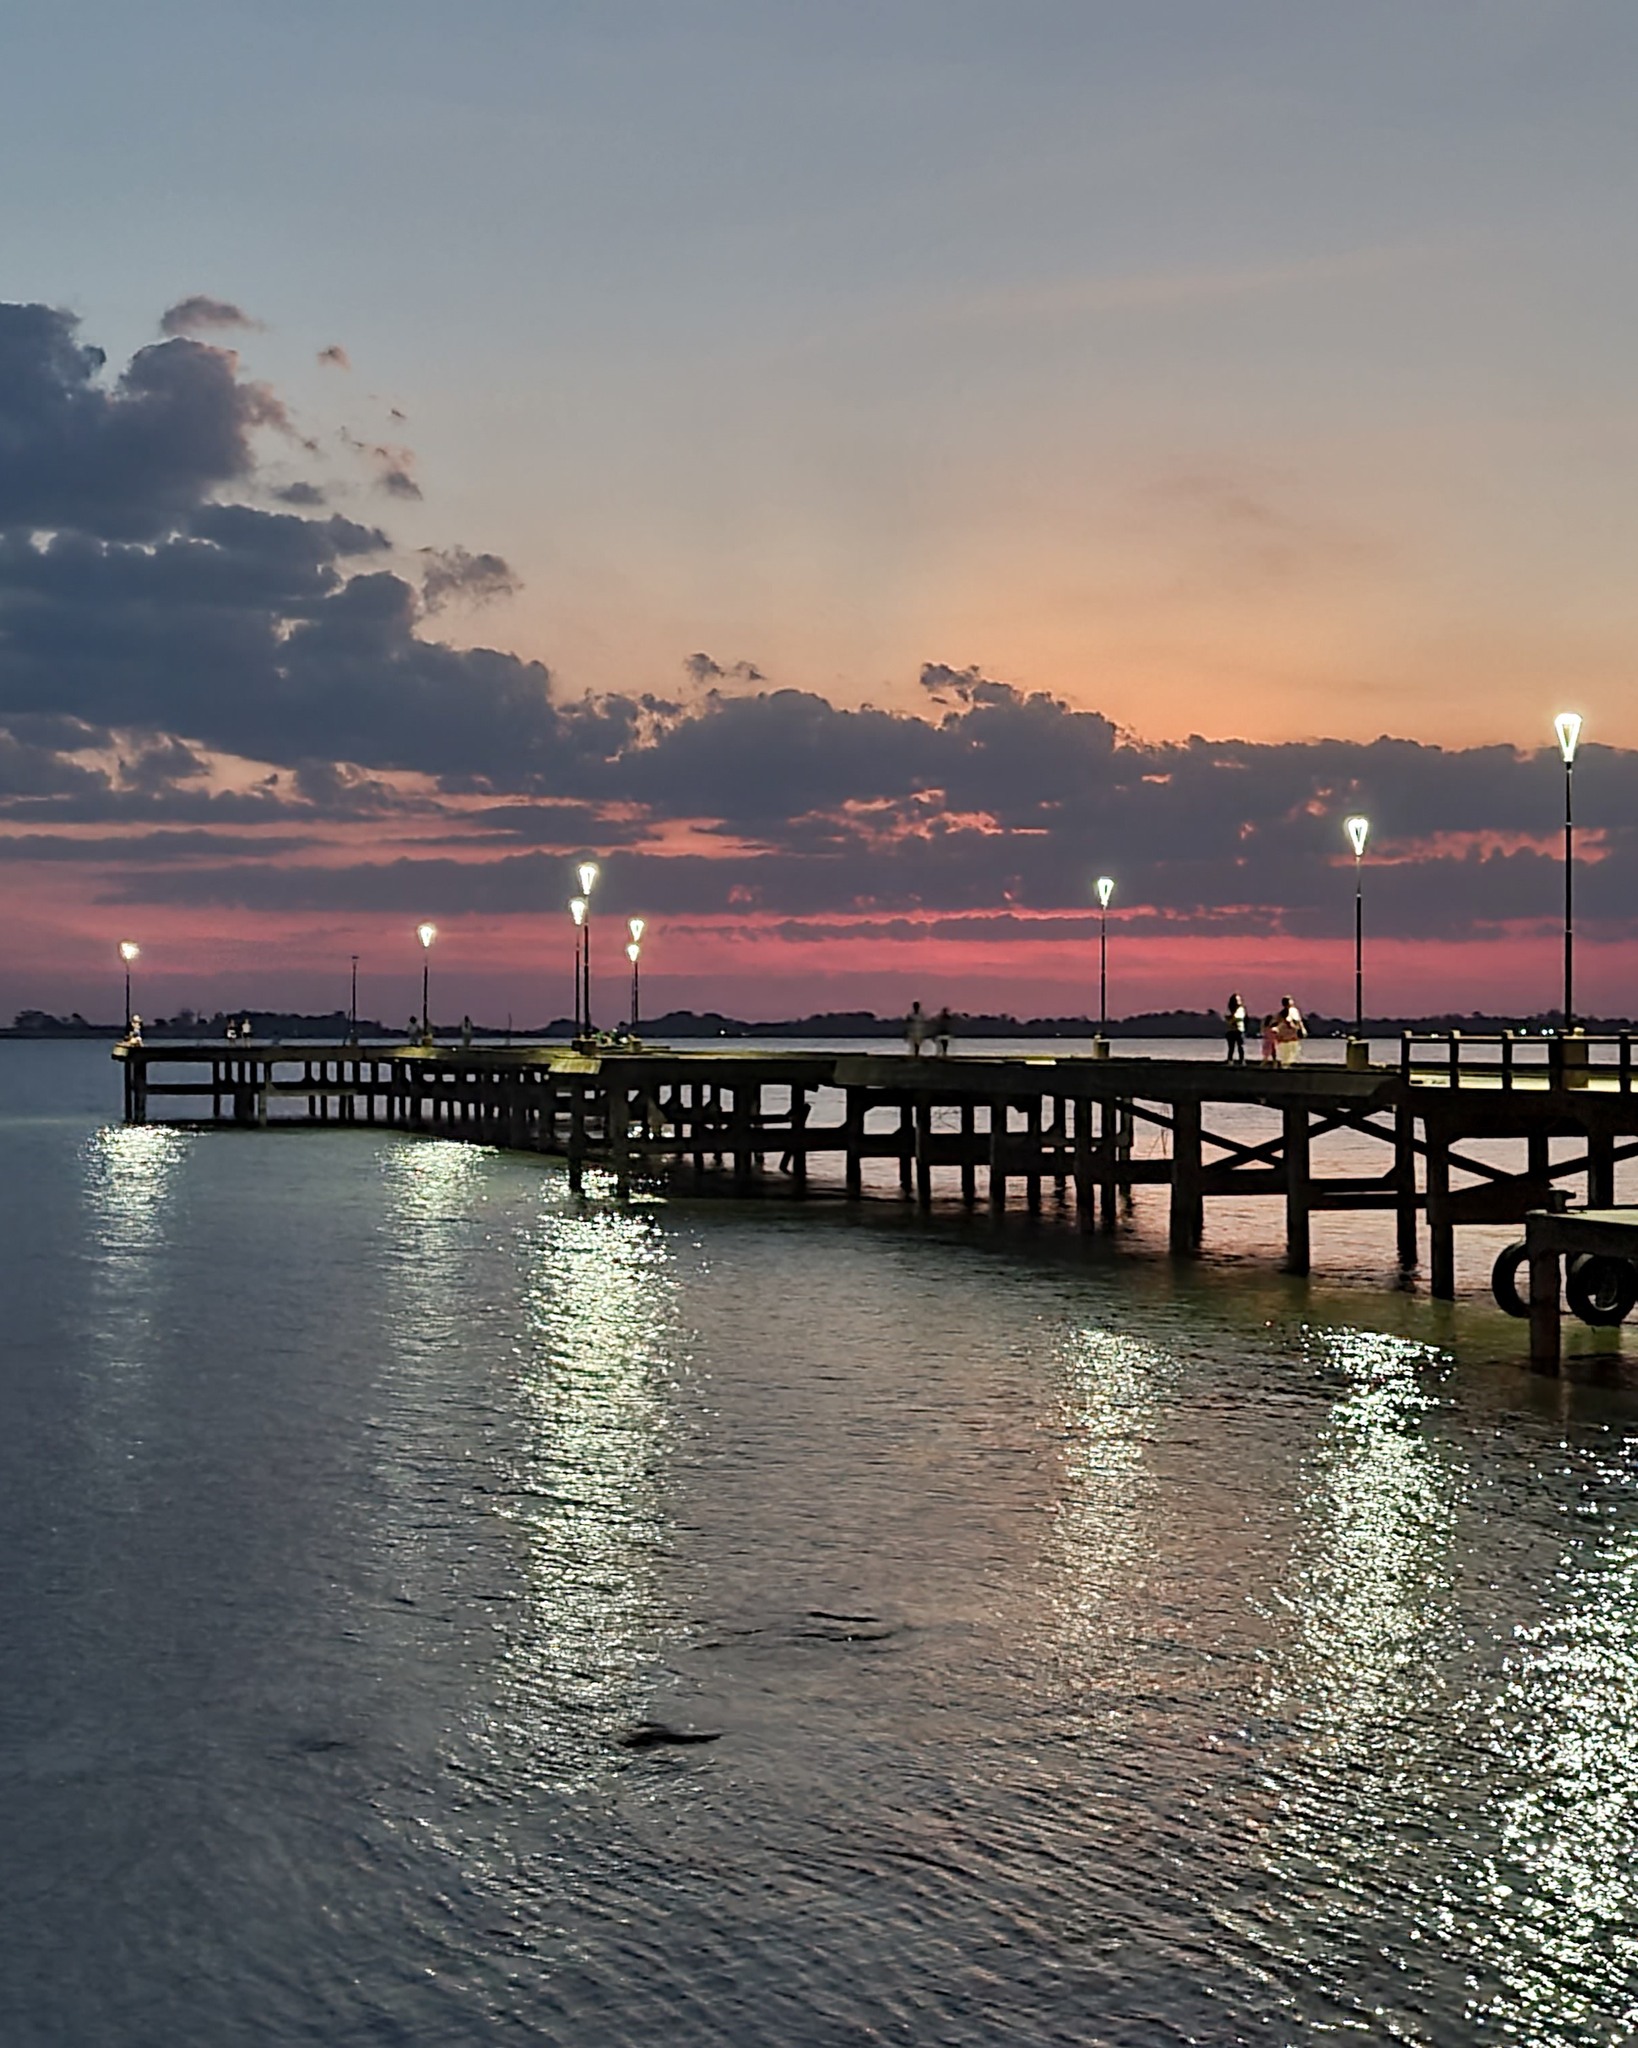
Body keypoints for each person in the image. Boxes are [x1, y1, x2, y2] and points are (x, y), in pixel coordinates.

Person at [1273, 994, 1307, 1067]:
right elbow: (1296, 1022)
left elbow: (1297, 1021)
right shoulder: (1289, 1012)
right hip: (1288, 1036)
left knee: (1288, 1053)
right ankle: (1286, 1066)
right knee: (1289, 1053)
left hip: (1287, 1036)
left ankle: (1286, 1066)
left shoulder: (1286, 1012)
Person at [1223, 992, 1247, 1064]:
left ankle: (1241, 1060)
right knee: (1232, 1047)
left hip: (1238, 1029)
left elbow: (1237, 1018)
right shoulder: (1229, 1009)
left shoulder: (1241, 1009)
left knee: (1240, 1046)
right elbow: (1227, 1018)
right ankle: (1231, 1060)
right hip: (1231, 1030)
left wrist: (1232, 1019)